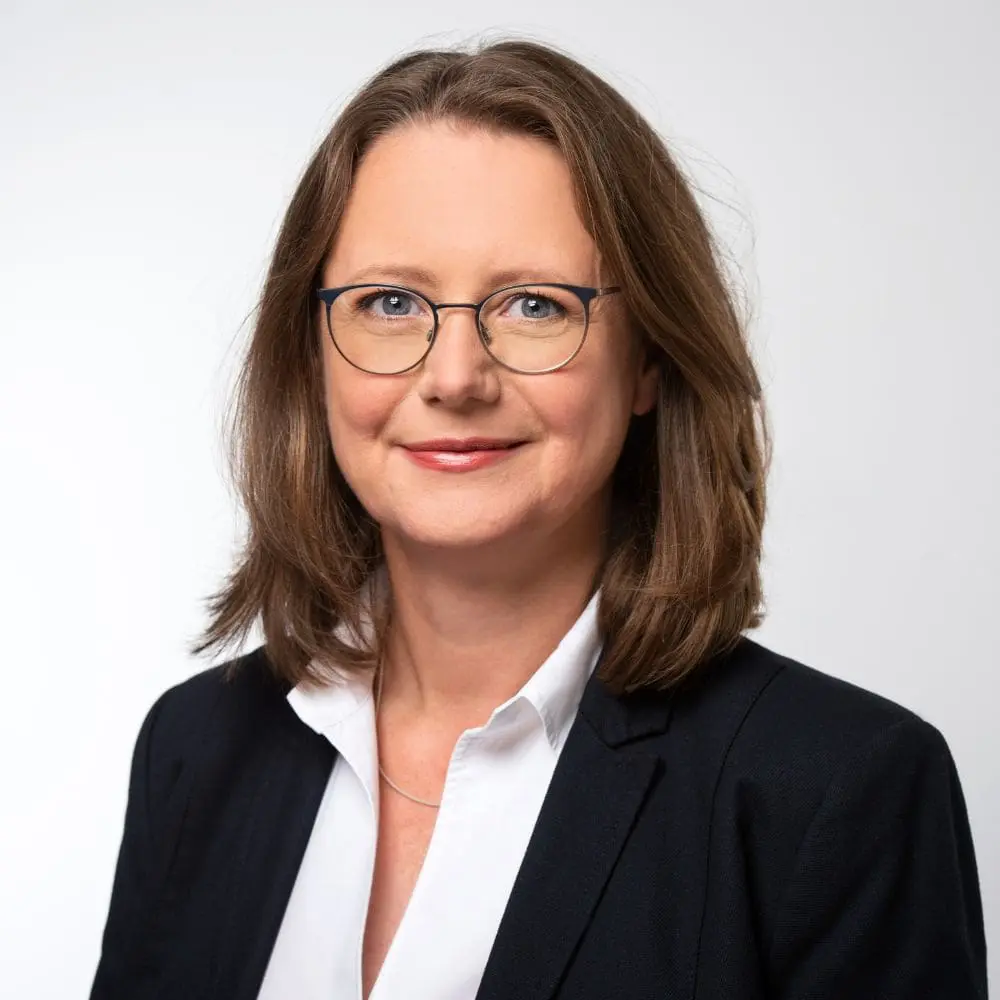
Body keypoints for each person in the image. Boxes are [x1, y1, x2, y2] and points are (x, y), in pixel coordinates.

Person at [89, 38, 988, 1000]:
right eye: (389, 302)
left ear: (649, 361)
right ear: (312, 355)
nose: (455, 377)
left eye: (533, 305)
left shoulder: (838, 789)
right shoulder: (197, 747)